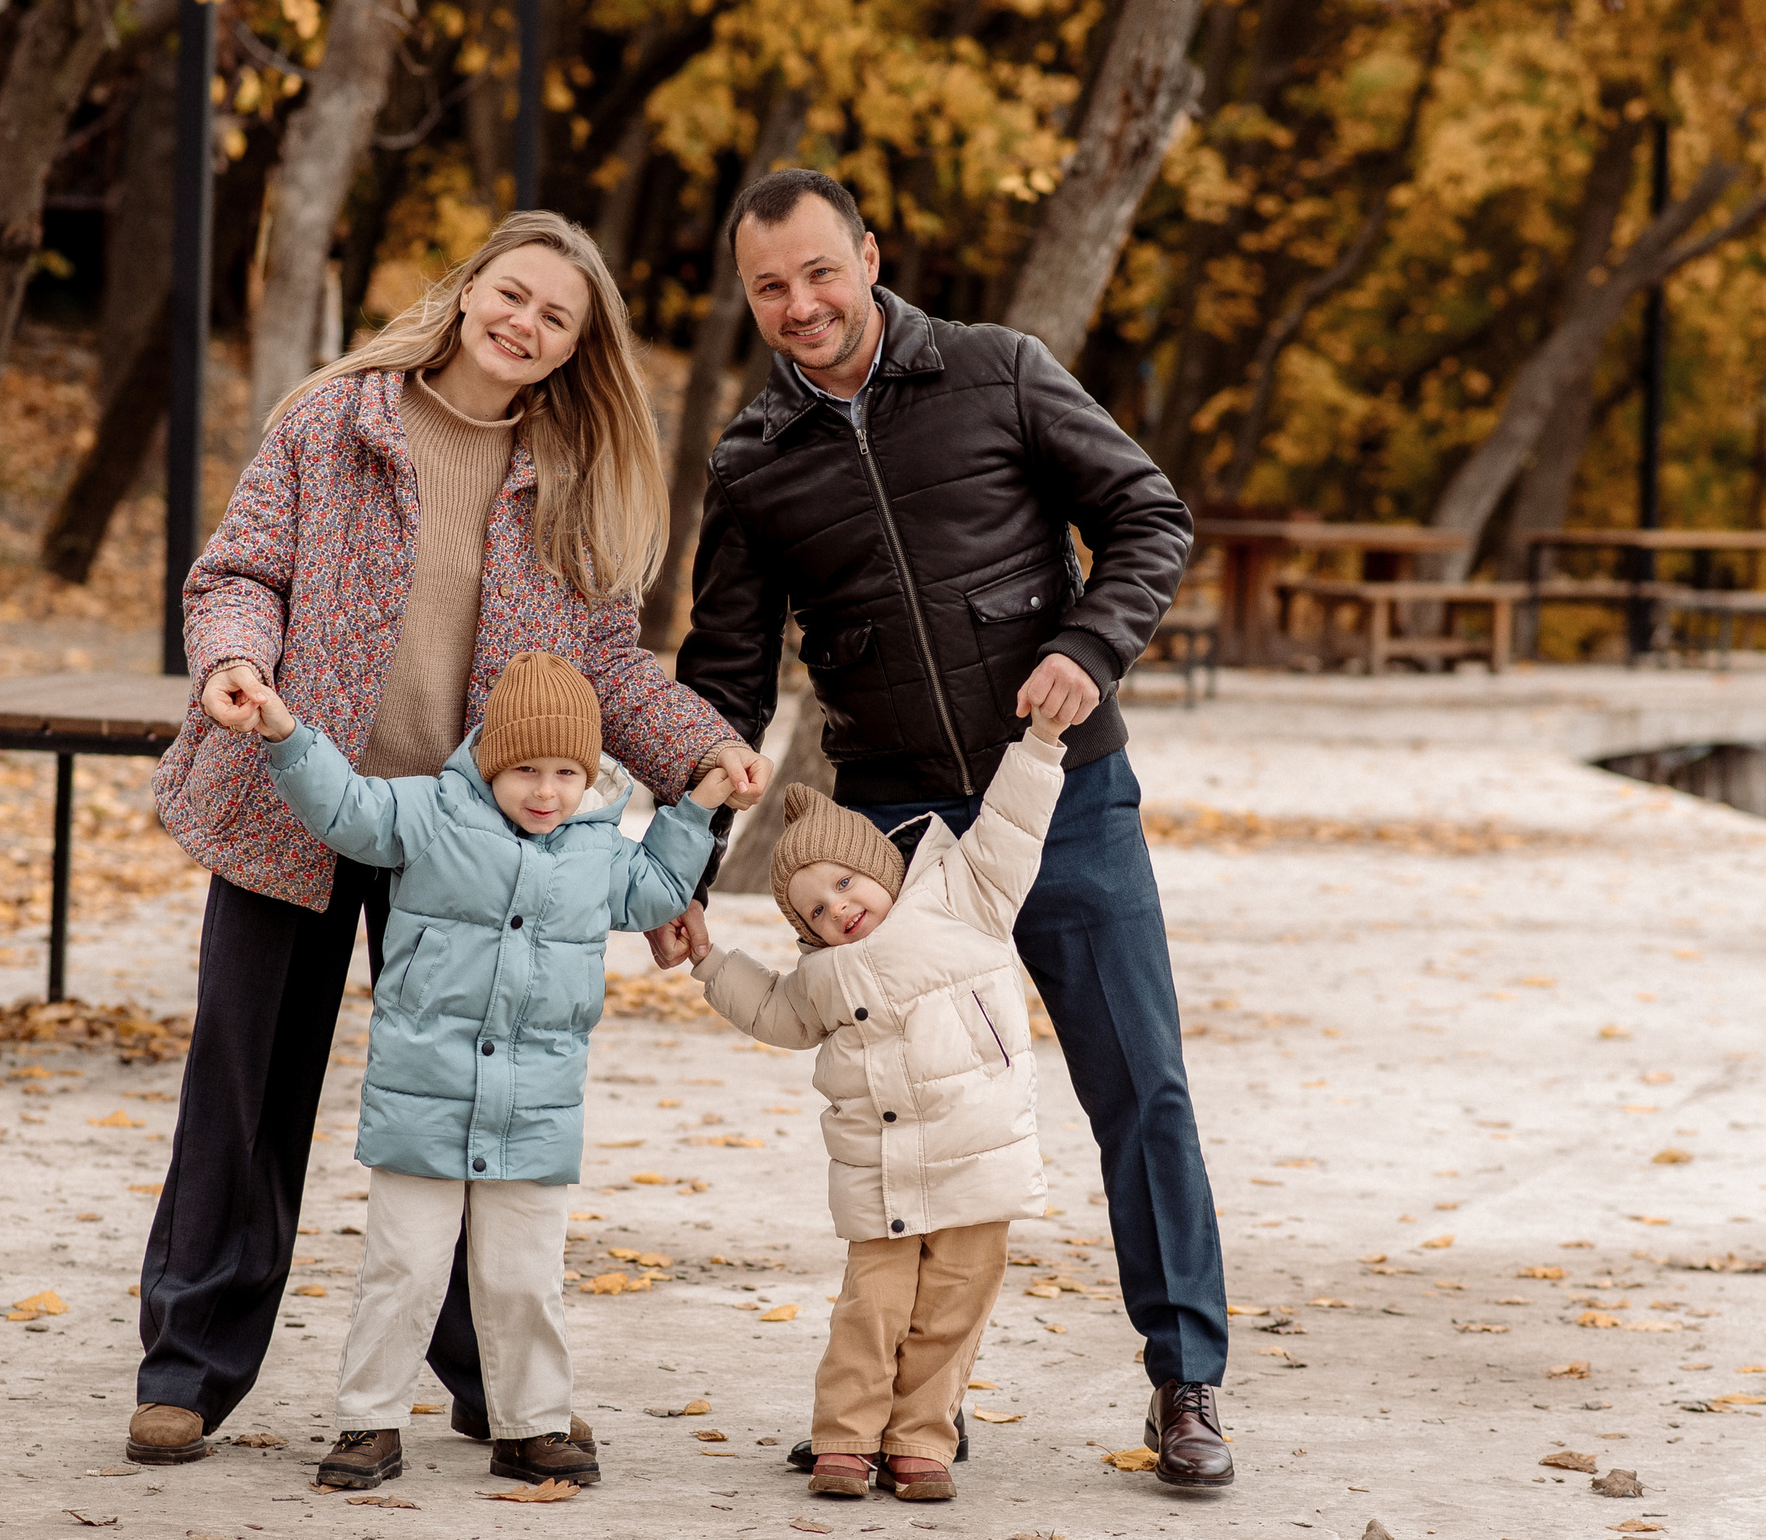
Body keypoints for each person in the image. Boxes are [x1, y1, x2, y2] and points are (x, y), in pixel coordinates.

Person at [133, 212, 774, 1467]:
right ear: (469, 287)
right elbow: (237, 575)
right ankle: (188, 1371)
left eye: (555, 317)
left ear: (572, 349)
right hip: (300, 797)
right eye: (511, 293)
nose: (522, 322)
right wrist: (236, 664)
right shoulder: (336, 421)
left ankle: (494, 1388)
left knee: (475, 1093)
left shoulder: (573, 474)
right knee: (244, 1090)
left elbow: (601, 669)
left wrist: (696, 752)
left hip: (471, 843)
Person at [654, 169, 1235, 1487]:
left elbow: (1149, 512)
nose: (799, 302)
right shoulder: (753, 460)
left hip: (1061, 793)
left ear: (869, 252)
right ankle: (919, 1403)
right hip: (892, 835)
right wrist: (675, 857)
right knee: (909, 1119)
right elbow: (725, 676)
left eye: (818, 270)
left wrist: (1092, 643)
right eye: (769, 286)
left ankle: (1185, 1375)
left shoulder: (999, 371)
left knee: (1138, 1080)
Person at [220, 652, 743, 1490]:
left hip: (535, 1104)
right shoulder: (430, 811)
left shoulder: (596, 848)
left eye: (568, 771)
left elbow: (655, 891)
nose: (547, 789)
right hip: (422, 1095)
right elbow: (349, 807)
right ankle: (370, 1420)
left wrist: (702, 805)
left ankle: (532, 1424)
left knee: (525, 1275)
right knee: (403, 1267)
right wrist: (286, 734)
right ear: (491, 757)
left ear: (590, 771)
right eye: (526, 768)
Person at [688, 702, 1069, 1503]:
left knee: (953, 1311)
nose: (838, 909)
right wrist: (710, 959)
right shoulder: (823, 975)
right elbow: (776, 1013)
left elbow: (1013, 823)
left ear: (881, 866)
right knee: (873, 1309)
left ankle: (922, 1438)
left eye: (845, 882)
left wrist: (1039, 744)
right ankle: (847, 1437)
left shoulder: (966, 894)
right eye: (815, 911)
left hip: (978, 1153)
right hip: (883, 1167)